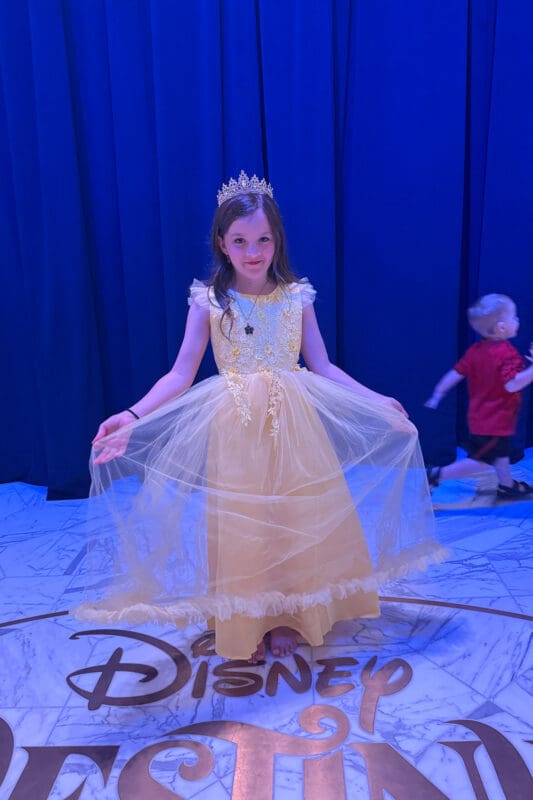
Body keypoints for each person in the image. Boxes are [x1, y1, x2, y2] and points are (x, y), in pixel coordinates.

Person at [75, 171, 444, 663]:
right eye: (241, 240)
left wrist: (377, 399)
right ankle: (248, 614)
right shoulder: (208, 301)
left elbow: (323, 364)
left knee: (294, 516)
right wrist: (131, 415)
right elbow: (179, 375)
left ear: (277, 241)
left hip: (295, 427)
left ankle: (289, 613)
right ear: (223, 244)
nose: (254, 251)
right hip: (237, 425)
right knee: (246, 524)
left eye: (264, 239)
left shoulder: (297, 297)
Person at [425, 293, 533, 498]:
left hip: (481, 418)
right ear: (502, 327)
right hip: (495, 421)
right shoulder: (507, 354)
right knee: (482, 462)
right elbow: (512, 384)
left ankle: (507, 486)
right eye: (515, 317)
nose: (518, 321)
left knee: (500, 453)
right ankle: (436, 474)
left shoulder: (476, 350)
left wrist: (438, 392)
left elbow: (455, 373)